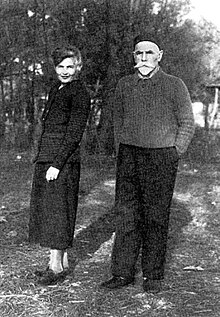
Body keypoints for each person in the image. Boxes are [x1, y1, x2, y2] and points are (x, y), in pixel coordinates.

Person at [101, 34, 195, 293]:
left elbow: (187, 122)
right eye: (138, 54)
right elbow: (117, 120)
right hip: (129, 157)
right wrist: (121, 148)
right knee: (126, 216)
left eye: (149, 53)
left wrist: (175, 151)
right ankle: (122, 273)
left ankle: (153, 274)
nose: (143, 58)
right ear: (134, 57)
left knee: (155, 217)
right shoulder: (124, 85)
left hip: (161, 157)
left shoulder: (175, 85)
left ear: (160, 56)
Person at [29, 45, 90, 285]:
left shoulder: (80, 92)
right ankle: (61, 262)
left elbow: (74, 133)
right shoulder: (57, 88)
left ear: (78, 67)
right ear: (55, 68)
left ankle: (54, 267)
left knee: (58, 211)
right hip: (47, 158)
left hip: (62, 161)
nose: (65, 71)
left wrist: (57, 163)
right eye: (61, 67)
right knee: (51, 209)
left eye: (70, 66)